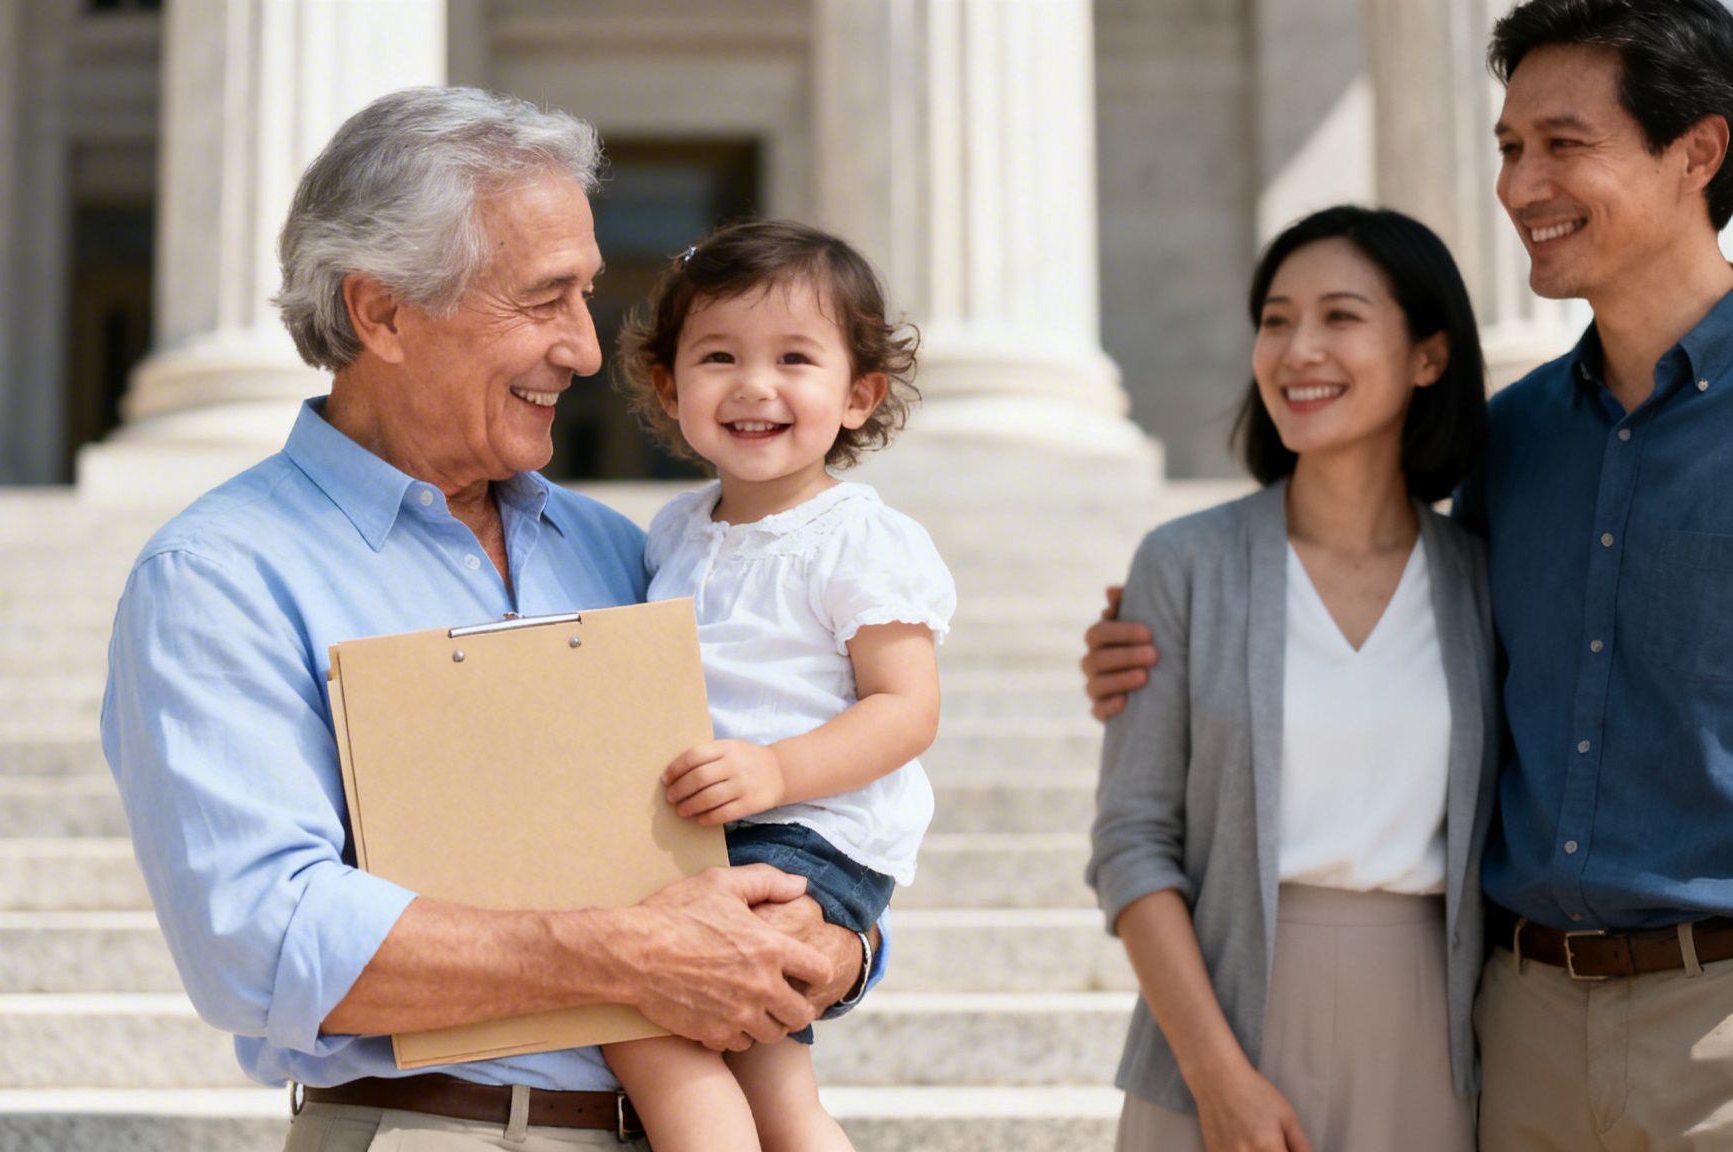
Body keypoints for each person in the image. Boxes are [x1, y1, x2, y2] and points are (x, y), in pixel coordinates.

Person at [100, 87, 879, 1152]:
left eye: (585, 296)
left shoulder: (623, 552)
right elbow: (260, 939)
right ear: (381, 313)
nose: (587, 351)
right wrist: (623, 955)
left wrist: (837, 936)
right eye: (544, 299)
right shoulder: (219, 575)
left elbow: (788, 785)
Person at [1083, 2, 1733, 1145]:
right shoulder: (1515, 447)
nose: (1518, 184)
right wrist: (1149, 652)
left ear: (1699, 151)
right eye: (1505, 146)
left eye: (1560, 144)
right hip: (1518, 1024)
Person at [1087, 205, 1492, 1152]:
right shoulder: (1185, 563)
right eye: (1276, 319)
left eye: (1340, 317)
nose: (1298, 348)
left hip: (1434, 1038)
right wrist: (1217, 1076)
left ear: (1429, 356)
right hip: (1219, 1022)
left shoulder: (1485, 578)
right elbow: (1132, 843)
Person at [599, 220, 952, 1152]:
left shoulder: (859, 539)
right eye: (719, 357)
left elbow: (906, 708)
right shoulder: (673, 531)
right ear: (671, 389)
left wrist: (777, 771)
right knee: (774, 1084)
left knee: (646, 1027)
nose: (755, 385)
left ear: (858, 394)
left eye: (795, 358)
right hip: (709, 824)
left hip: (807, 829)